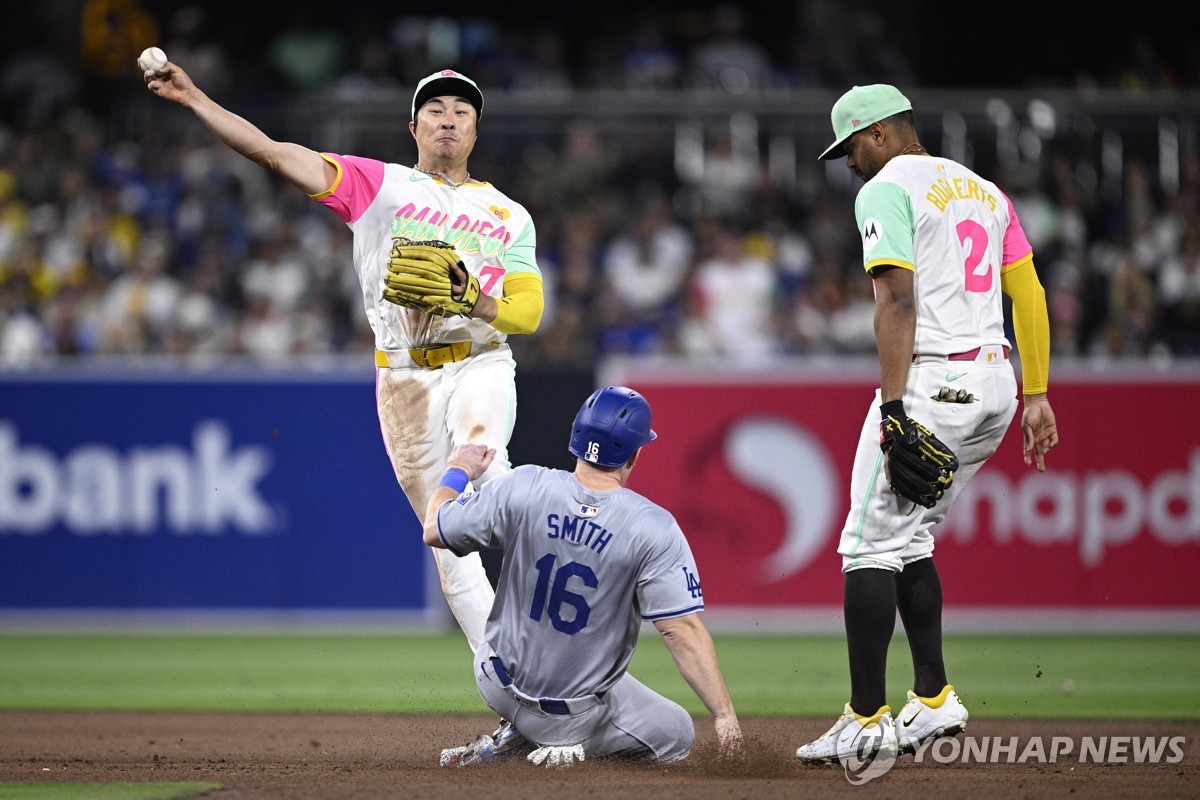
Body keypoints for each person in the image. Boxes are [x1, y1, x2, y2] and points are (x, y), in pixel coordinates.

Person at [144, 64, 544, 657]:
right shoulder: (376, 185)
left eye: (462, 112)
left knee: (490, 472)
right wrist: (197, 98)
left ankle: (564, 638)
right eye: (435, 111)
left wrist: (473, 299)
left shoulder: (509, 214)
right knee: (447, 547)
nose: (449, 121)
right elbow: (273, 153)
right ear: (413, 127)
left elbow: (529, 313)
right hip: (404, 378)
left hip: (480, 359)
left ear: (477, 132)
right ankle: (515, 689)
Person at [794, 85, 1060, 762]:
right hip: (996, 381)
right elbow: (1026, 290)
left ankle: (864, 716)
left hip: (933, 379)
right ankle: (934, 699)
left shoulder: (886, 187)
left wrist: (892, 407)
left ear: (881, 133)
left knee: (867, 544)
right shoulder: (984, 190)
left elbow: (898, 299)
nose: (849, 162)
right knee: (913, 535)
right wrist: (1037, 393)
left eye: (852, 145)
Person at [422, 387, 743, 766]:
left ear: (575, 437)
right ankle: (567, 754)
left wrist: (458, 469)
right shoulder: (652, 527)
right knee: (677, 733)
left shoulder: (523, 485)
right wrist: (724, 716)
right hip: (569, 717)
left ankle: (518, 734)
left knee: (604, 680)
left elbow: (434, 529)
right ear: (635, 453)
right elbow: (680, 630)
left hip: (494, 682)